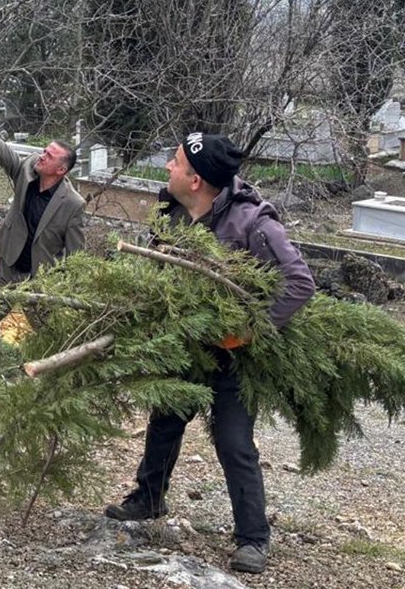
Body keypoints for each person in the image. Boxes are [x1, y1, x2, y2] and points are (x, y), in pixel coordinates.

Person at [104, 132, 316, 574]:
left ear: (196, 180)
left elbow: (299, 283)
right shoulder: (173, 210)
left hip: (231, 357)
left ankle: (253, 538)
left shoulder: (254, 223)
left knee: (234, 442)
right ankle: (148, 498)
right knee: (164, 422)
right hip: (186, 347)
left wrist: (247, 331)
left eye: (176, 162)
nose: (168, 167)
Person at [0, 100, 86, 373]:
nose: (42, 156)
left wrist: (66, 288)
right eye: (44, 151)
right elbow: (3, 153)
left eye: (49, 156)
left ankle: (55, 376)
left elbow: (77, 255)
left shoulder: (73, 204)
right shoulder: (26, 172)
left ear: (61, 170)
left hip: (40, 280)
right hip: (8, 268)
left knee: (50, 333)